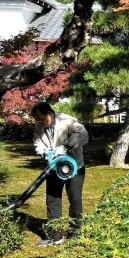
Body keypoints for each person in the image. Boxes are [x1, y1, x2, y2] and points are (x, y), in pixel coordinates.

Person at [31, 102, 89, 247]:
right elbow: (38, 144)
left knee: (75, 200)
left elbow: (82, 133)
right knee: (52, 200)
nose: (38, 122)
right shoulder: (39, 127)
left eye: (40, 119)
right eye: (36, 120)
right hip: (54, 167)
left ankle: (75, 233)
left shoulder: (66, 120)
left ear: (49, 114)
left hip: (74, 166)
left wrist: (66, 146)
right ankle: (55, 236)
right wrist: (46, 154)